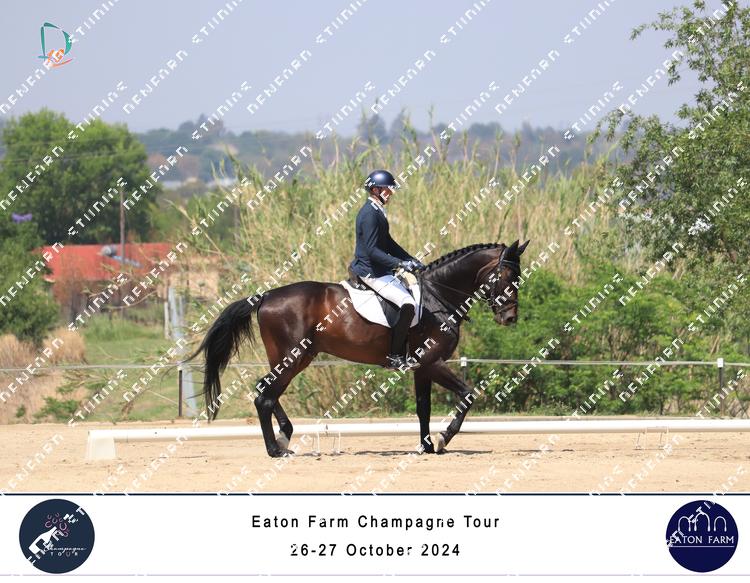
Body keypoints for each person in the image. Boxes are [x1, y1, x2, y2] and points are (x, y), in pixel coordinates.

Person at [349, 170, 425, 370]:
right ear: (376, 190)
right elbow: (372, 250)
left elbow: (388, 243)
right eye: (388, 189)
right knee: (408, 304)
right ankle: (395, 356)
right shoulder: (369, 214)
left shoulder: (377, 210)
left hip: (380, 270)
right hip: (370, 272)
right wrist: (399, 264)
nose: (391, 193)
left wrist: (410, 259)